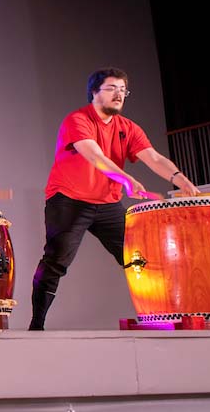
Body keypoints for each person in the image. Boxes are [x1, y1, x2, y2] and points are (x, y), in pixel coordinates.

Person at [29, 67, 200, 330]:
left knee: (137, 258)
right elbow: (94, 155)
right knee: (56, 259)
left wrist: (180, 178)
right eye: (111, 88)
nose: (119, 95)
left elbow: (153, 157)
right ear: (94, 92)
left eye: (123, 90)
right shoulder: (77, 120)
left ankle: (160, 316)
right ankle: (37, 324)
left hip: (107, 204)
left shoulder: (128, 128)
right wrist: (127, 180)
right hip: (68, 200)